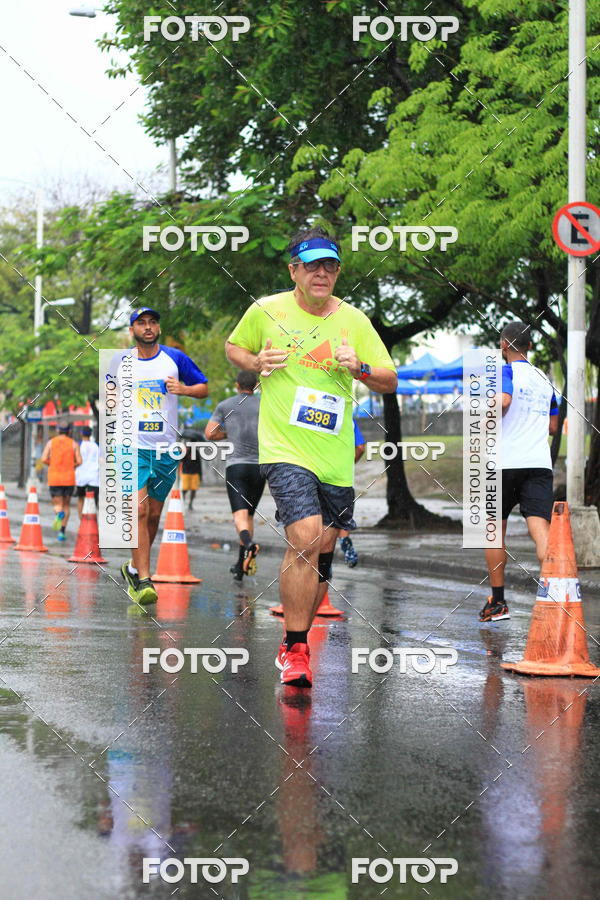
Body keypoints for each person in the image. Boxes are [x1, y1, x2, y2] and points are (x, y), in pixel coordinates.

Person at [226, 225, 397, 687]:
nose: (322, 273)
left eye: (331, 265)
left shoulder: (355, 321)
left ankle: (295, 635)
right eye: (313, 265)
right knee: (304, 533)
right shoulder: (267, 310)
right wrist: (255, 362)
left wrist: (357, 367)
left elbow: (389, 379)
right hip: (284, 448)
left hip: (336, 454)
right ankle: (296, 647)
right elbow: (233, 347)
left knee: (322, 548)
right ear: (294, 270)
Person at [115, 308, 209, 605]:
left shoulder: (175, 358)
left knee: (154, 514)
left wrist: (183, 389)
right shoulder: (120, 362)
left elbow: (204, 388)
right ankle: (144, 579)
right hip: (131, 446)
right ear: (132, 329)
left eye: (153, 322)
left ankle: (133, 568)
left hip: (166, 447)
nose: (148, 327)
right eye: (141, 323)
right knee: (139, 511)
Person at [480, 322, 559, 623]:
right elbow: (553, 426)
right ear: (528, 345)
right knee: (541, 531)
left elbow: (504, 401)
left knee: (493, 532)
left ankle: (498, 603)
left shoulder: (505, 372)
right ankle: (555, 597)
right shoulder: (545, 379)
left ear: (503, 345)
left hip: (504, 463)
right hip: (539, 464)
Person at [205, 370, 265, 581]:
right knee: (249, 516)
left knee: (239, 517)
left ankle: (249, 545)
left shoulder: (225, 405)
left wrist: (229, 433)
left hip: (236, 467)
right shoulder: (264, 405)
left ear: (237, 385)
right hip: (260, 468)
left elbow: (210, 433)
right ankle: (241, 565)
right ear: (256, 385)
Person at [41, 423, 82, 542]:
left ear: (58, 430)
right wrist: (71, 465)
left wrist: (52, 464)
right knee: (67, 505)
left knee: (58, 505)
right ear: (69, 431)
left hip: (55, 478)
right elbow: (79, 461)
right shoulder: (74, 443)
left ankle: (59, 514)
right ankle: (62, 532)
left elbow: (43, 458)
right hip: (69, 478)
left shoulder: (51, 443)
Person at [338, 419, 366, 567]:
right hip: (343, 478)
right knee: (343, 516)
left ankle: (323, 565)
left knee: (322, 522)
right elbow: (360, 447)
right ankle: (346, 545)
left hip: (316, 475)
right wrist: (348, 464)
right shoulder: (348, 419)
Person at [76, 426, 100, 516]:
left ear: (81, 433)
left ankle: (81, 521)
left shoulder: (78, 444)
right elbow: (101, 460)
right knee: (92, 501)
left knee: (80, 499)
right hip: (94, 477)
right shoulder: (96, 445)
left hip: (80, 476)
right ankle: (91, 522)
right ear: (90, 434)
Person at [181, 438, 203, 511]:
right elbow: (181, 460)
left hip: (194, 473)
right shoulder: (186, 451)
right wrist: (184, 453)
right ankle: (182, 502)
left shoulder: (196, 452)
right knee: (184, 489)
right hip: (186, 472)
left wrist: (200, 475)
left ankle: (190, 504)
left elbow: (199, 464)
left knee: (193, 489)